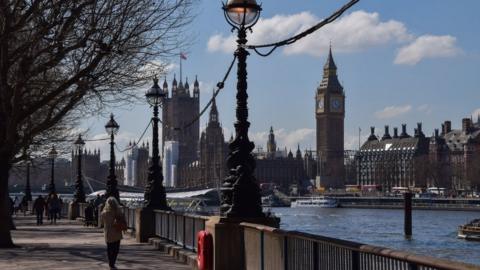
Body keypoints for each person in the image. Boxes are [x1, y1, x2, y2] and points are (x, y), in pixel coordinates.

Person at [101, 197, 124, 270]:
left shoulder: (104, 213)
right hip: (117, 231)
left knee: (109, 248)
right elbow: (123, 219)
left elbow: (101, 222)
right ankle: (113, 262)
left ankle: (110, 263)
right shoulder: (118, 211)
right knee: (116, 249)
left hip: (108, 232)